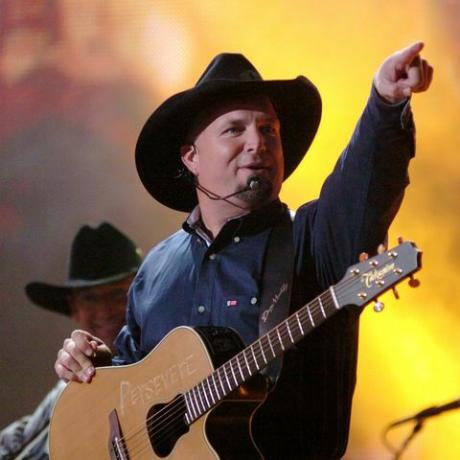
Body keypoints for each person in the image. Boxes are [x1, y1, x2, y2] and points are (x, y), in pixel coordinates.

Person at [55, 43, 433, 459]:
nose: (258, 142)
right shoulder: (156, 269)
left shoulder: (313, 239)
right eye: (235, 129)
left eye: (268, 129)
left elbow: (367, 184)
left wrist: (385, 101)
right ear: (191, 157)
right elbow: (130, 377)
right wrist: (95, 364)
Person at [0, 222, 142, 460]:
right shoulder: (67, 384)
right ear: (74, 309)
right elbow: (21, 437)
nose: (104, 310)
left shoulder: (162, 359)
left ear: (142, 295)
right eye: (90, 298)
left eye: (117, 294)